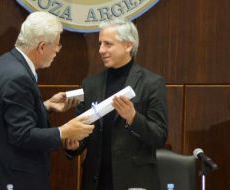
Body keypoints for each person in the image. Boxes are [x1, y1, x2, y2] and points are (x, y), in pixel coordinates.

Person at [0, 11, 94, 190]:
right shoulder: (18, 77)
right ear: (42, 46)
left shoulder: (0, 64)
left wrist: (45, 106)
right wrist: (64, 131)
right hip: (13, 179)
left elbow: (7, 116)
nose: (58, 50)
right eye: (58, 45)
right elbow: (22, 135)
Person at [64, 18, 168, 190]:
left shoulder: (152, 84)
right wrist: (74, 145)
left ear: (128, 45)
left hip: (134, 182)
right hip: (96, 182)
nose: (101, 50)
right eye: (100, 44)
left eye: (108, 44)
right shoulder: (90, 84)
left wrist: (133, 118)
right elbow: (82, 131)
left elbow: (159, 136)